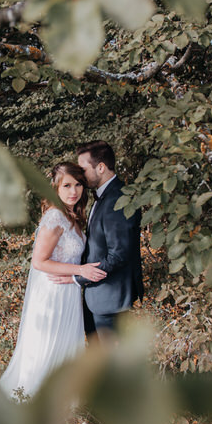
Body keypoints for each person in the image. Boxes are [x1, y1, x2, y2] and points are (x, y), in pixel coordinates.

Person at [0, 162, 107, 399]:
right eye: (67, 185)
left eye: (78, 185)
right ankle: (34, 398)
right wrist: (80, 270)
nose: (73, 191)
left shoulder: (72, 216)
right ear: (55, 188)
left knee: (65, 344)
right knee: (46, 344)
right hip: (51, 293)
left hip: (68, 291)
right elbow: (39, 261)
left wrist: (77, 276)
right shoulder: (54, 217)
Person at [56, 140, 143, 343]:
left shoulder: (118, 199)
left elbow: (119, 254)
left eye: (83, 169)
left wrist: (78, 278)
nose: (80, 175)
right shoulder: (102, 197)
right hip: (96, 297)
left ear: (101, 167)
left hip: (110, 299)